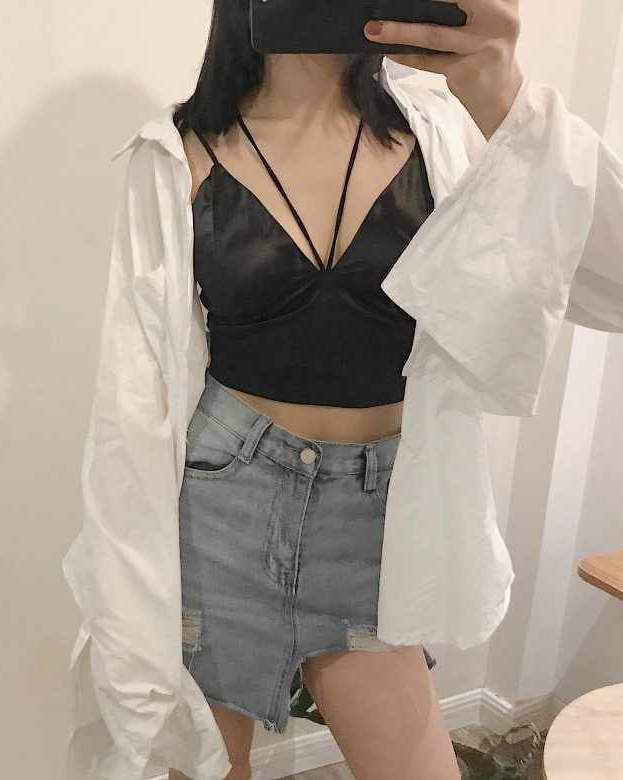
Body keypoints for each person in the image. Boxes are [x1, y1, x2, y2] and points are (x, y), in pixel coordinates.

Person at [62, 2, 623, 778]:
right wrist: (124, 599)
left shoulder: (443, 128)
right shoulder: (176, 154)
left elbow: (610, 278)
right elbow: (132, 399)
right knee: (202, 765)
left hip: (375, 520)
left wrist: (500, 90)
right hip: (221, 511)